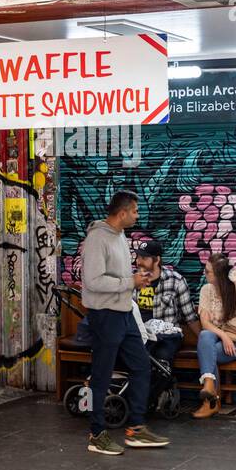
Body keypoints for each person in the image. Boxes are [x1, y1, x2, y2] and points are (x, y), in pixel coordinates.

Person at [79, 190, 171, 455]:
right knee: (102, 374)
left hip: (124, 313)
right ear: (122, 213)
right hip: (106, 315)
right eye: (135, 211)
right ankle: (96, 435)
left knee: (142, 366)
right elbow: (93, 281)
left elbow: (116, 277)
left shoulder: (119, 236)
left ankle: (136, 429)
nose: (137, 215)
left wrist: (135, 279)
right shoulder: (98, 238)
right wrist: (129, 282)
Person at [193, 253, 236, 419]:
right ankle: (209, 384)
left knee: (209, 352)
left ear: (219, 276)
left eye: (208, 271)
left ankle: (211, 402)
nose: (204, 273)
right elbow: (205, 323)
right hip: (222, 335)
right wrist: (224, 336)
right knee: (205, 335)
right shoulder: (206, 290)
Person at [133, 239, 200, 362]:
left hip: (167, 335)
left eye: (144, 258)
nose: (138, 261)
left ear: (157, 260)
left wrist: (201, 341)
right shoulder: (132, 280)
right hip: (140, 334)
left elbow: (190, 317)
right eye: (138, 257)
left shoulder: (175, 280)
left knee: (161, 357)